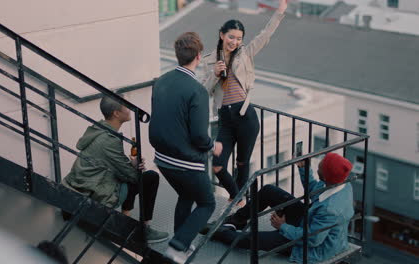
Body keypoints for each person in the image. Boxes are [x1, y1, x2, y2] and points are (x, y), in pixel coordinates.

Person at [201, 0, 287, 207]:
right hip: (225, 119)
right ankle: (238, 196)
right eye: (231, 37)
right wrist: (214, 74)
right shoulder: (209, 60)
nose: (235, 42)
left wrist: (280, 11)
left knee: (242, 163)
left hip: (246, 115)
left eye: (239, 38)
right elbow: (204, 91)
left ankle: (237, 204)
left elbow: (265, 35)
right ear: (222, 35)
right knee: (218, 166)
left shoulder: (246, 54)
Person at [149, 32, 223, 263]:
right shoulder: (197, 91)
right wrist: (213, 145)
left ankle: (181, 242)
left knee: (185, 194)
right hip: (185, 162)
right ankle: (178, 245)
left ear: (178, 55)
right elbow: (200, 136)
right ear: (199, 56)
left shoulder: (161, 80)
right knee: (207, 202)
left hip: (162, 159)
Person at [206, 153, 354, 263]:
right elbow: (315, 191)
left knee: (252, 239)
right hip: (308, 221)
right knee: (268, 191)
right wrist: (304, 168)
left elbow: (313, 240)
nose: (318, 165)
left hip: (310, 248)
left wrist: (282, 226)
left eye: (320, 167)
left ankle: (219, 232)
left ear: (326, 177)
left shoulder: (330, 209)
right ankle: (237, 220)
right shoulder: (341, 183)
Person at [63, 96, 168, 243]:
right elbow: (132, 177)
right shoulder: (108, 140)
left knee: (129, 176)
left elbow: (116, 166)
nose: (129, 108)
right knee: (150, 177)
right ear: (116, 114)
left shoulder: (100, 128)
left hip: (81, 188)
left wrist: (130, 166)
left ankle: (125, 220)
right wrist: (133, 168)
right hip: (91, 195)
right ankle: (143, 231)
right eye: (125, 106)